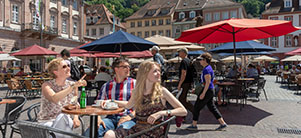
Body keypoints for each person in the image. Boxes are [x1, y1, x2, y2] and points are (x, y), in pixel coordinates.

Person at [103, 61, 187, 138]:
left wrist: (162, 113)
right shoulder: (137, 91)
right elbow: (128, 105)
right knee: (109, 134)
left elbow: (183, 111)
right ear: (145, 73)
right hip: (137, 129)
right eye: (155, 71)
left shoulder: (162, 91)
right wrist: (112, 101)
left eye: (159, 71)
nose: (159, 73)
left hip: (154, 131)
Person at [84, 58, 136, 137]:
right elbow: (97, 104)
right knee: (91, 131)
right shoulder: (107, 86)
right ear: (116, 69)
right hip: (110, 118)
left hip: (128, 117)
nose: (128, 69)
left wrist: (130, 116)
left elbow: (141, 105)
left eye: (129, 67)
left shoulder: (134, 84)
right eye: (125, 67)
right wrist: (98, 118)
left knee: (122, 131)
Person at [37, 58, 87, 137]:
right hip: (47, 121)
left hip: (66, 121)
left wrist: (76, 117)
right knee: (63, 117)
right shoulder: (47, 85)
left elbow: (75, 104)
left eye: (68, 66)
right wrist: (72, 87)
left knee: (65, 118)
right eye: (64, 67)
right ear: (56, 72)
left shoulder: (72, 84)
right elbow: (54, 98)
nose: (68, 68)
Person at [187, 53, 227, 131]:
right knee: (212, 107)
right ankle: (222, 123)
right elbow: (206, 82)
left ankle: (194, 125)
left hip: (208, 90)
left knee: (197, 107)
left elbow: (208, 82)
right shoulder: (208, 68)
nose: (199, 62)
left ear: (205, 60)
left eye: (200, 60)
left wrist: (203, 93)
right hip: (209, 90)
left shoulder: (206, 69)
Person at [177, 48, 194, 113]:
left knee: (182, 99)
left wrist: (180, 84)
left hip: (185, 83)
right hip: (188, 82)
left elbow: (184, 73)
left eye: (180, 52)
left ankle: (193, 111)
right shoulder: (189, 61)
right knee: (183, 98)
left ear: (184, 53)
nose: (179, 53)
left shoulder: (184, 61)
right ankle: (184, 114)